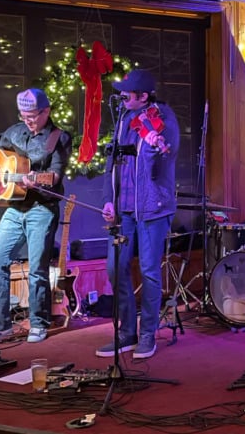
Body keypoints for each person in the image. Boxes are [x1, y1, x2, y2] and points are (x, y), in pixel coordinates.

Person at [0, 88, 72, 348]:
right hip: (14, 207)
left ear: (46, 111)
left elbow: (54, 177)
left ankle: (39, 323)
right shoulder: (15, 131)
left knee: (37, 267)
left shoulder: (58, 138)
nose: (28, 120)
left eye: (32, 116)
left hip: (42, 207)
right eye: (24, 115)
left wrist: (36, 182)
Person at [95, 69, 180, 359]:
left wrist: (156, 142)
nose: (121, 96)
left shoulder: (164, 118)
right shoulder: (122, 119)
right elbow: (113, 161)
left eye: (127, 93)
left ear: (143, 96)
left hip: (153, 208)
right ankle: (127, 332)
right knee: (114, 267)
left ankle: (148, 334)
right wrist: (110, 199)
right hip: (124, 209)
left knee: (149, 270)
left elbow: (165, 155)